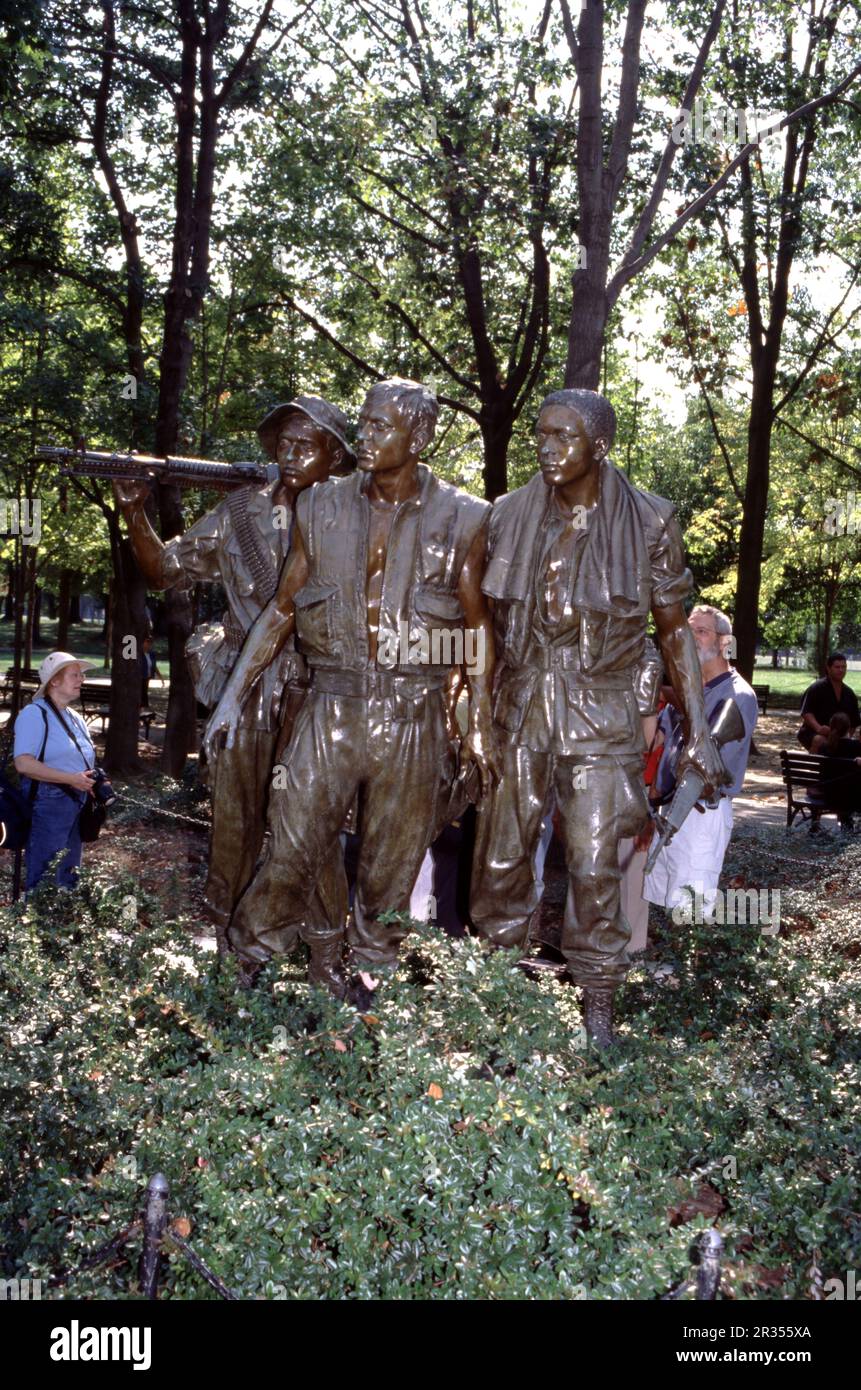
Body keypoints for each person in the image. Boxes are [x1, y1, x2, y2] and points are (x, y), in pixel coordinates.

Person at [205, 377, 497, 995]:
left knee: (388, 872)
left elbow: (476, 630)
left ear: (419, 437)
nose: (362, 437)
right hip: (331, 705)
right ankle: (246, 974)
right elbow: (282, 611)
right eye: (362, 423)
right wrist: (232, 698)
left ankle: (370, 999)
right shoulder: (321, 506)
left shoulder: (466, 517)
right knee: (290, 848)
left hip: (413, 714)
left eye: (378, 427)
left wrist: (479, 725)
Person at [469, 389, 725, 1048]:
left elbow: (672, 634)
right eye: (539, 436)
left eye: (564, 437)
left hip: (601, 709)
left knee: (592, 867)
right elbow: (480, 630)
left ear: (599, 447)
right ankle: (491, 1000)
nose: (547, 449)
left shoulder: (648, 522)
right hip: (520, 705)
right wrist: (470, 711)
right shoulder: (504, 516)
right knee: (499, 860)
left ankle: (597, 1006)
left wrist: (696, 731)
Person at [113, 396, 352, 955]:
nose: (290, 455)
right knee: (234, 822)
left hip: (321, 690)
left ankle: (325, 956)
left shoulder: (354, 518)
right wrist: (134, 513)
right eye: (283, 444)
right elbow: (164, 571)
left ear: (335, 456)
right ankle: (230, 951)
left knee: (313, 824)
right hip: (246, 692)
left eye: (305, 445)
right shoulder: (239, 512)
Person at [642, 604, 758, 921]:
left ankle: (684, 972)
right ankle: (664, 972)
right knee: (663, 906)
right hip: (669, 811)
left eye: (702, 632)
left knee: (689, 913)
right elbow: (656, 741)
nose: (691, 639)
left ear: (725, 643)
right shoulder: (689, 691)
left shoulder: (738, 695)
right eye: (687, 632)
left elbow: (709, 766)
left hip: (701, 814)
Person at [13, 652, 98, 891]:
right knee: (45, 874)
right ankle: (37, 926)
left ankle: (63, 924)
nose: (81, 678)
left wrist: (91, 780)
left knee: (70, 872)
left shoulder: (75, 717)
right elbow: (23, 764)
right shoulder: (34, 714)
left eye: (81, 674)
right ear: (54, 681)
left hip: (76, 801)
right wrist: (71, 779)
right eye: (74, 674)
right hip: (48, 802)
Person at [798, 653, 859, 750]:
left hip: (840, 736)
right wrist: (819, 728)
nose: (841, 670)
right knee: (820, 740)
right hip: (813, 732)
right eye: (837, 667)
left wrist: (846, 738)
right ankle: (815, 764)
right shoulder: (816, 688)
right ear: (828, 668)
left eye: (843, 667)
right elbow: (806, 712)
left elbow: (854, 721)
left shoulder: (849, 693)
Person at [812, 712, 861, 828]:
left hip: (829, 795)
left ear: (831, 727)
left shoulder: (824, 748)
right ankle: (847, 826)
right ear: (848, 728)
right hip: (852, 798)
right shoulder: (857, 747)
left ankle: (815, 825)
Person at [138, 634, 161, 709]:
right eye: (147, 642)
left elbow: (154, 666)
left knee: (144, 691)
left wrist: (160, 677)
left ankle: (144, 706)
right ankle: (143, 706)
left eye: (150, 643)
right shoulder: (139, 654)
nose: (149, 644)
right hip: (140, 676)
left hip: (147, 676)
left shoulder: (151, 654)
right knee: (142, 692)